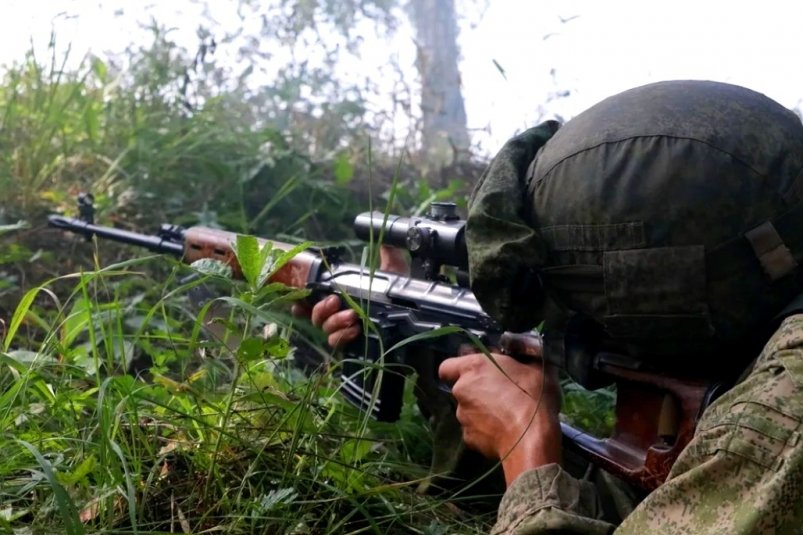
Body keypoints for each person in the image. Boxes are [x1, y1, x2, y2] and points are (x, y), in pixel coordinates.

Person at [306, 80, 803, 533]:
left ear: (667, 291)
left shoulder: (784, 415)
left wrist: (528, 449)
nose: (563, 317)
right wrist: (430, 353)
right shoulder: (766, 304)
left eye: (572, 292)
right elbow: (654, 510)